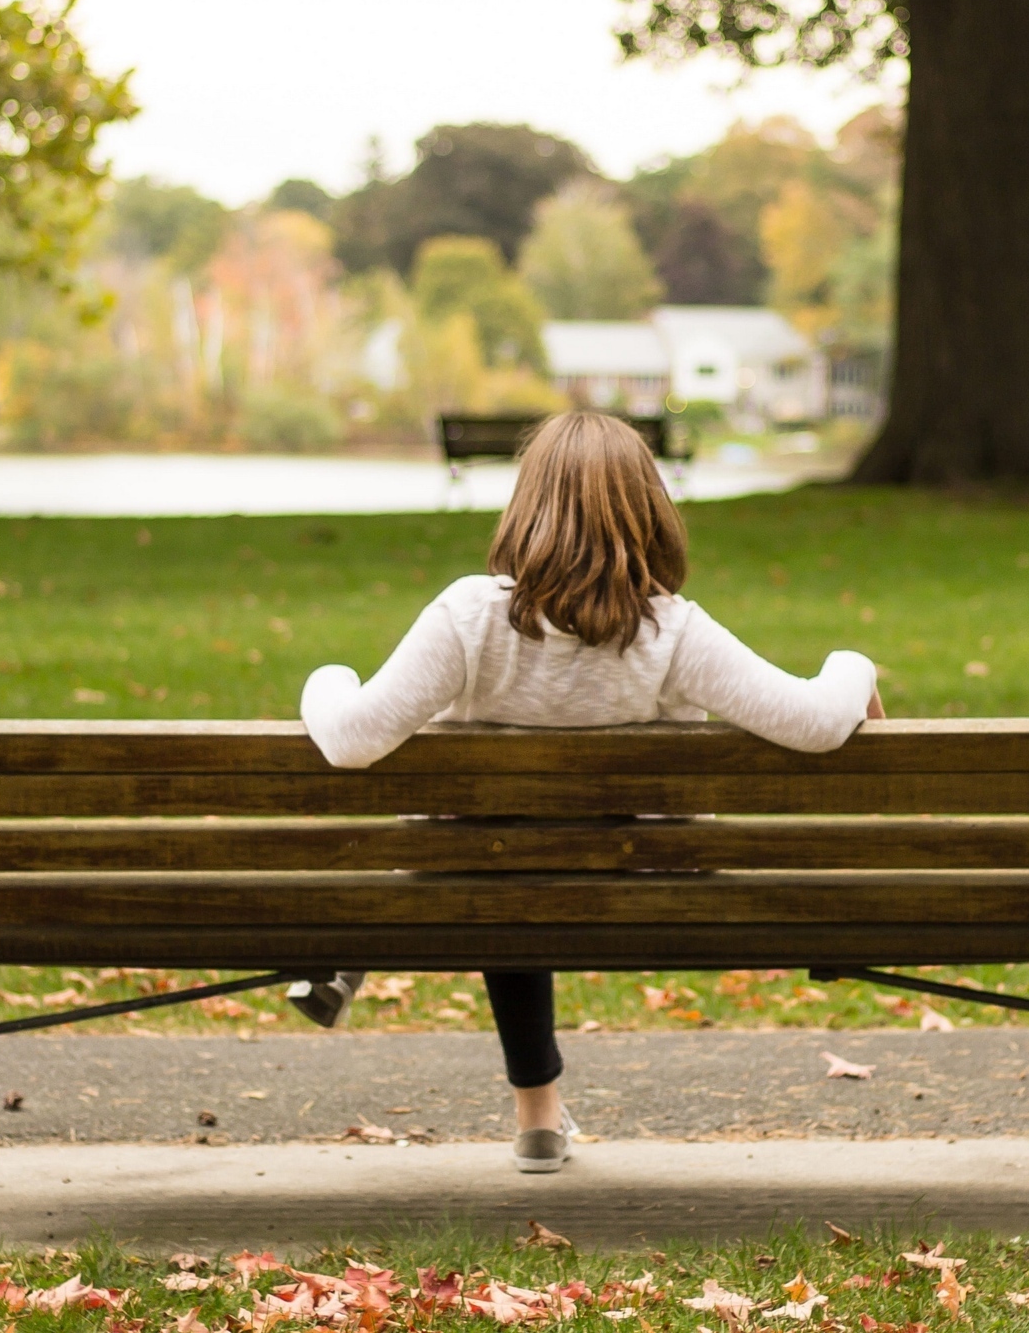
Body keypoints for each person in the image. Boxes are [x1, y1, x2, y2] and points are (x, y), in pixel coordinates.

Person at [295, 411, 883, 1172]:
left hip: (480, 879)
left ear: (526, 505)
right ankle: (538, 1118)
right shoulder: (669, 632)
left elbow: (349, 738)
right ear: (649, 511)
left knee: (496, 849)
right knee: (514, 849)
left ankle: (369, 957)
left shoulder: (469, 617)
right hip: (639, 882)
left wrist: (328, 678)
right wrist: (855, 664)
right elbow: (813, 722)